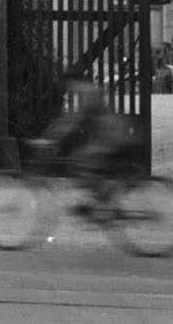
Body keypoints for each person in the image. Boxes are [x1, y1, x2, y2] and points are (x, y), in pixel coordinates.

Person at [46, 67, 136, 217]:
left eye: (67, 84)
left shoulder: (89, 92)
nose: (67, 88)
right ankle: (102, 198)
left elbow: (78, 118)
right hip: (109, 136)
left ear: (73, 81)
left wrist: (55, 134)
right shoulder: (89, 91)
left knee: (80, 163)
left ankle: (102, 198)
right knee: (83, 162)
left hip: (112, 137)